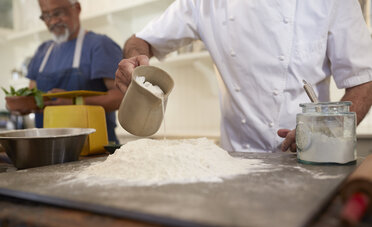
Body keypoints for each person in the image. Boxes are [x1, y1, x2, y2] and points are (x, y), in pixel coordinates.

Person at [115, 0, 372, 152]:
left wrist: (327, 131)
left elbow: (363, 82)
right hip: (235, 163)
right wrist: (134, 59)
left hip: (309, 156)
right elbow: (140, 40)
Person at [26, 0, 124, 144]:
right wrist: (19, 104)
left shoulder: (100, 45)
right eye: (46, 16)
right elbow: (31, 93)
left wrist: (75, 102)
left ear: (76, 8)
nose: (52, 21)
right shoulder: (42, 51)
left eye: (58, 13)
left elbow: (121, 96)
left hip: (95, 149)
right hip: (47, 149)